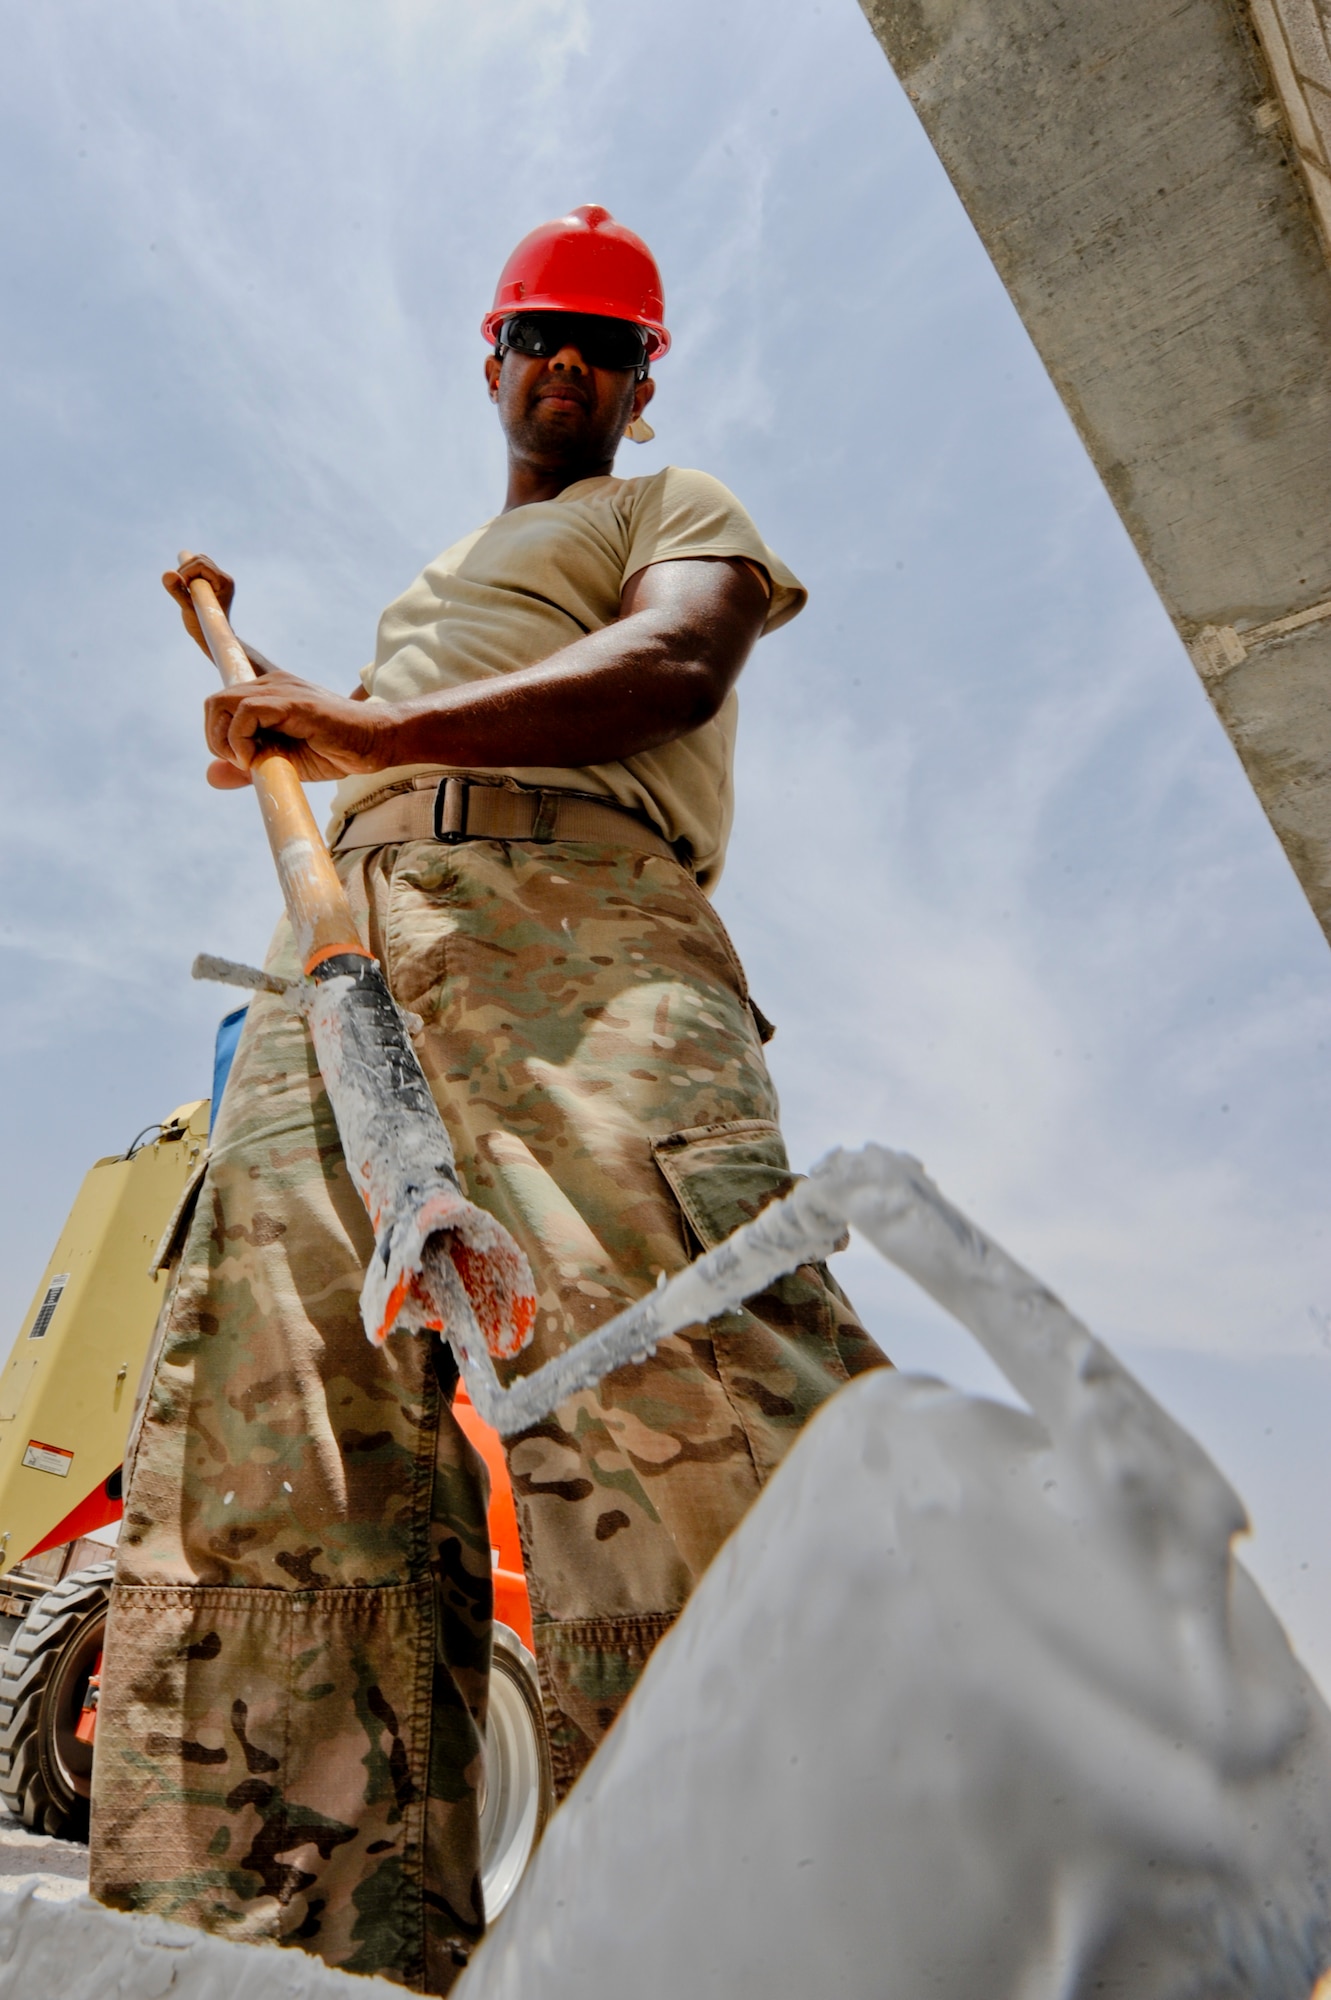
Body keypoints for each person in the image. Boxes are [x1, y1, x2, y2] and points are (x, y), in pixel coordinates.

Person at [90, 204, 887, 1993]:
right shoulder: (431, 597)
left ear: (643, 384)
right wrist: (308, 716)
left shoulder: (667, 516)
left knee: (678, 1368)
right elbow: (372, 731)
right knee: (270, 1449)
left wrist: (361, 732)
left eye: (611, 348)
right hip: (344, 963)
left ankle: (802, 1915)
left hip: (576, 927)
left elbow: (676, 660)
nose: (574, 368)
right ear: (496, 351)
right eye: (546, 334)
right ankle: (274, 1941)